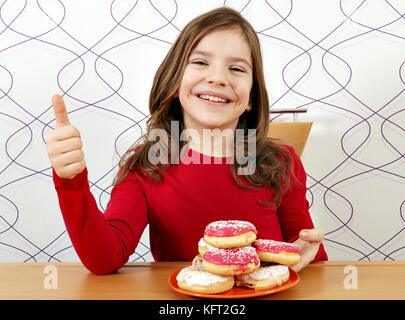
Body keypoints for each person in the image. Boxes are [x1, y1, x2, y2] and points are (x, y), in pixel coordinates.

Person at [46, 7, 327, 275]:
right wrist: (71, 183)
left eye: (237, 69)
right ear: (174, 82)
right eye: (201, 62)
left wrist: (308, 252)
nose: (217, 78)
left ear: (252, 98)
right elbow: (104, 258)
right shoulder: (145, 166)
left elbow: (305, 253)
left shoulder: (281, 162)